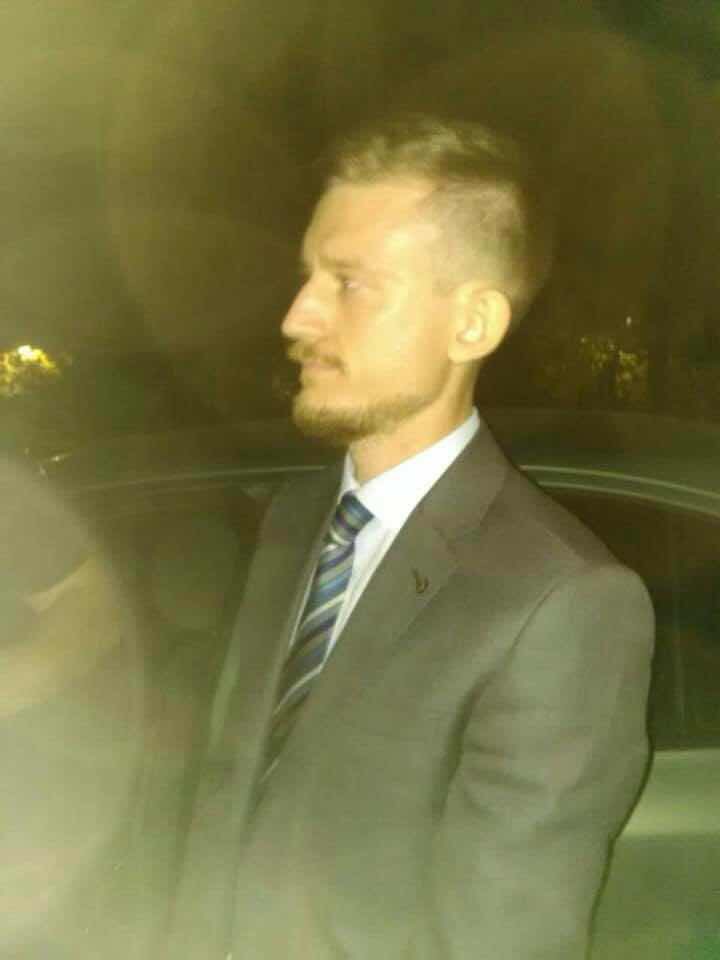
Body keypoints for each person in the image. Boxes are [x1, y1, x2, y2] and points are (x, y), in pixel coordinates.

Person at [167, 115, 654, 960]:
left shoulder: (563, 601)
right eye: (308, 277)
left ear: (472, 325)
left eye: (349, 282)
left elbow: (505, 941)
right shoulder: (295, 520)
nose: (296, 317)